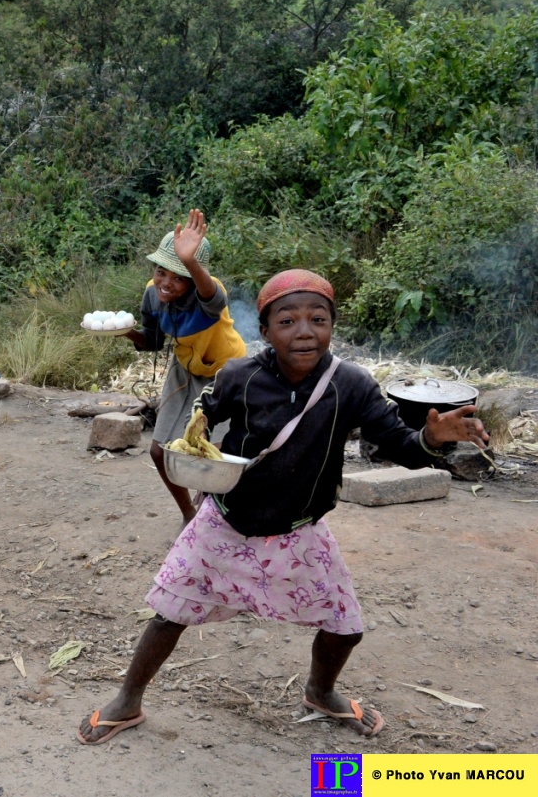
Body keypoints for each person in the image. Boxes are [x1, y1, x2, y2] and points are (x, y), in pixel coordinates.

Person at [77, 269, 489, 746]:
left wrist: (431, 439)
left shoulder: (350, 385)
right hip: (225, 523)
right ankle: (128, 700)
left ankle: (320, 691)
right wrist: (196, 434)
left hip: (298, 531)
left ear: (332, 326)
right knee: (170, 615)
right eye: (288, 320)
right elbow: (206, 413)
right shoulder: (240, 375)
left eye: (318, 319)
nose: (305, 331)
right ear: (267, 331)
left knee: (344, 627)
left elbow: (402, 443)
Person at [121, 210, 245, 525]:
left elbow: (214, 300)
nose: (167, 283)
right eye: (162, 272)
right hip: (184, 371)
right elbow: (152, 342)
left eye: (180, 277)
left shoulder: (208, 294)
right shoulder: (152, 294)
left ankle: (219, 519)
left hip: (226, 372)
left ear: (194, 277)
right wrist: (123, 330)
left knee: (214, 455)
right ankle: (190, 514)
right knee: (160, 452)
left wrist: (190, 261)